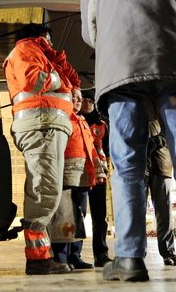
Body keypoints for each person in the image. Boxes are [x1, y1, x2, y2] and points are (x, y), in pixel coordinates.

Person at [80, 0, 176, 282]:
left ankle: (130, 258)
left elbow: (91, 33)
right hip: (171, 65)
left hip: (121, 77)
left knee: (128, 164)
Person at [3, 24, 75, 275]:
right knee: (44, 189)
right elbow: (34, 79)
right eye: (49, 41)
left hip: (47, 126)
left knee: (48, 189)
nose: (52, 46)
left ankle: (42, 256)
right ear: (40, 37)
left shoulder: (35, 52)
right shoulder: (26, 48)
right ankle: (37, 259)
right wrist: (59, 80)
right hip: (41, 126)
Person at [51, 88, 106, 270]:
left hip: (83, 176)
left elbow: (92, 150)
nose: (77, 100)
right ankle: (61, 257)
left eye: (79, 98)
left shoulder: (82, 121)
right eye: (74, 97)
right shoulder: (62, 118)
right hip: (67, 175)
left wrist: (97, 172)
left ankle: (75, 255)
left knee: (79, 216)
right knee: (65, 216)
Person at [80, 89, 112, 267]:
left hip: (99, 175)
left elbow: (107, 149)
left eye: (90, 100)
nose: (87, 103)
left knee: (100, 216)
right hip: (79, 174)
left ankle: (101, 254)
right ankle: (73, 254)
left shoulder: (102, 124)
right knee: (78, 214)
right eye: (83, 99)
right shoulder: (74, 120)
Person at [146, 118, 176, 266]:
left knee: (164, 212)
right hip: (139, 167)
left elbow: (172, 132)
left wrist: (157, 140)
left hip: (161, 165)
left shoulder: (163, 108)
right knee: (135, 212)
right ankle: (136, 254)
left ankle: (168, 251)